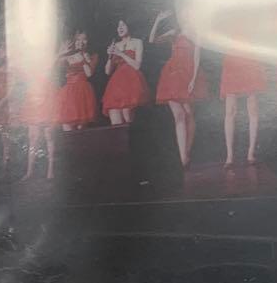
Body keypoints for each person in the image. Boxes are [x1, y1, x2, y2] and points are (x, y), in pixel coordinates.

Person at [151, 9, 209, 167]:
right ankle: (183, 157)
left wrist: (193, 79)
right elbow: (152, 40)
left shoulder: (196, 34)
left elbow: (197, 57)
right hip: (172, 75)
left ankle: (187, 152)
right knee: (178, 115)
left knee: (189, 114)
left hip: (188, 74)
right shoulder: (174, 33)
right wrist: (158, 20)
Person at [219, 32, 267, 166]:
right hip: (232, 60)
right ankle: (229, 155)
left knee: (253, 109)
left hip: (249, 56)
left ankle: (251, 152)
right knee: (230, 111)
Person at [102, 19, 150, 125]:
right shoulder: (116, 45)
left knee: (127, 116)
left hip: (131, 82)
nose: (120, 28)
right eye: (118, 26)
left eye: (123, 25)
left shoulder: (137, 42)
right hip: (116, 84)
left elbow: (137, 65)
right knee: (115, 120)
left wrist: (120, 54)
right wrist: (109, 56)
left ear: (129, 26)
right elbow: (107, 71)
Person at [55, 32, 98, 131]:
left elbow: (89, 74)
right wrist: (61, 53)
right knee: (67, 126)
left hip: (82, 91)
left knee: (81, 128)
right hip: (68, 93)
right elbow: (53, 68)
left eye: (84, 39)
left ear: (88, 41)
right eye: (78, 39)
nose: (80, 42)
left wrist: (83, 60)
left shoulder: (92, 56)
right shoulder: (68, 56)